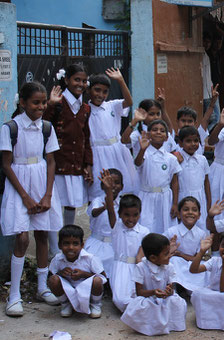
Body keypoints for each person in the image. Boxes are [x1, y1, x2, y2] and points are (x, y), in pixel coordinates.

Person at [2, 82, 62, 316]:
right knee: (22, 237)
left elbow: (51, 161)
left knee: (43, 234)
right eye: (36, 102)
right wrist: (26, 197)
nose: (41, 106)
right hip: (19, 185)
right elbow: (6, 165)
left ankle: (41, 287)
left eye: (43, 102)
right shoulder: (10, 128)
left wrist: (47, 194)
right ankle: (14, 294)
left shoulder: (46, 128)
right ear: (23, 103)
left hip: (41, 182)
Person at [44, 64, 93, 229]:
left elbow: (86, 137)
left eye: (84, 81)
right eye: (76, 80)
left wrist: (88, 164)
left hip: (75, 163)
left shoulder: (85, 108)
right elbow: (43, 125)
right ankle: (55, 247)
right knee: (54, 203)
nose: (81, 84)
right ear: (66, 80)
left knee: (71, 203)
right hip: (57, 163)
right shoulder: (57, 103)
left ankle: (68, 235)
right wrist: (50, 105)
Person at [121, 233, 187, 335]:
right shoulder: (141, 268)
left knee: (176, 301)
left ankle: (171, 325)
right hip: (148, 297)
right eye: (166, 254)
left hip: (165, 298)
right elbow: (139, 292)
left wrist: (169, 291)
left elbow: (171, 287)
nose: (169, 256)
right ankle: (148, 327)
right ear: (153, 258)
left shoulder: (169, 266)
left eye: (169, 252)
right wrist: (153, 292)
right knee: (143, 306)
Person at [86, 68, 137, 200]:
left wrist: (120, 80)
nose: (101, 95)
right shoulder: (85, 110)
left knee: (120, 187)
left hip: (117, 153)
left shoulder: (112, 106)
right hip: (97, 155)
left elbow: (129, 102)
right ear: (88, 90)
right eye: (97, 90)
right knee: (99, 190)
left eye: (105, 92)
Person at [48, 225, 106, 318]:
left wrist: (84, 274)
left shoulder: (90, 258)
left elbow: (103, 278)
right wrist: (61, 274)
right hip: (68, 291)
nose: (71, 247)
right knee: (54, 279)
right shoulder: (57, 259)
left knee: (97, 280)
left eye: (75, 244)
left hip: (87, 292)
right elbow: (51, 277)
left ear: (82, 245)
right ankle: (66, 304)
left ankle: (95, 304)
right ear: (59, 245)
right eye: (66, 243)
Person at [105, 193, 150, 312]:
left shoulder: (144, 231)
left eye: (135, 215)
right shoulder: (117, 227)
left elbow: (142, 252)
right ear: (119, 214)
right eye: (126, 215)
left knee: (140, 293)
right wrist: (108, 190)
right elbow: (110, 210)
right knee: (120, 300)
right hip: (121, 268)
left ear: (140, 214)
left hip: (137, 267)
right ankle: (138, 309)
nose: (131, 219)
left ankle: (142, 309)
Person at [135, 120, 181, 234]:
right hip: (146, 197)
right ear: (149, 134)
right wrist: (142, 149)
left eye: (162, 131)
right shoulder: (144, 154)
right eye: (154, 130)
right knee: (146, 225)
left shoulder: (171, 158)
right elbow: (138, 163)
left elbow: (175, 182)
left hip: (165, 197)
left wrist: (175, 203)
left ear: (167, 137)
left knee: (164, 227)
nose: (158, 132)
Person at [164, 197, 209, 291]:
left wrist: (180, 254)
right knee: (174, 261)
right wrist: (170, 251)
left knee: (204, 265)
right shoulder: (172, 231)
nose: (190, 212)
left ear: (199, 215)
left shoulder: (202, 234)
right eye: (185, 209)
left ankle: (192, 290)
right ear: (179, 215)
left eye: (194, 210)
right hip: (177, 265)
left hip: (192, 264)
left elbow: (198, 258)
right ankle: (173, 289)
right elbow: (161, 251)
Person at [84, 168, 123, 278]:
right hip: (97, 242)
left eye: (117, 183)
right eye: (110, 182)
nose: (113, 186)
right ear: (102, 186)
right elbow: (94, 213)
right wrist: (105, 207)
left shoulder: (123, 203)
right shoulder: (97, 200)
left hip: (114, 243)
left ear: (122, 186)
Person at [176, 126, 211, 230]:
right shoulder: (176, 159)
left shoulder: (202, 159)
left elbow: (206, 182)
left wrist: (209, 203)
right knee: (182, 227)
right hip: (182, 197)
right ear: (180, 143)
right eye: (188, 141)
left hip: (200, 199)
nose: (193, 144)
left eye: (196, 140)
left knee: (200, 228)